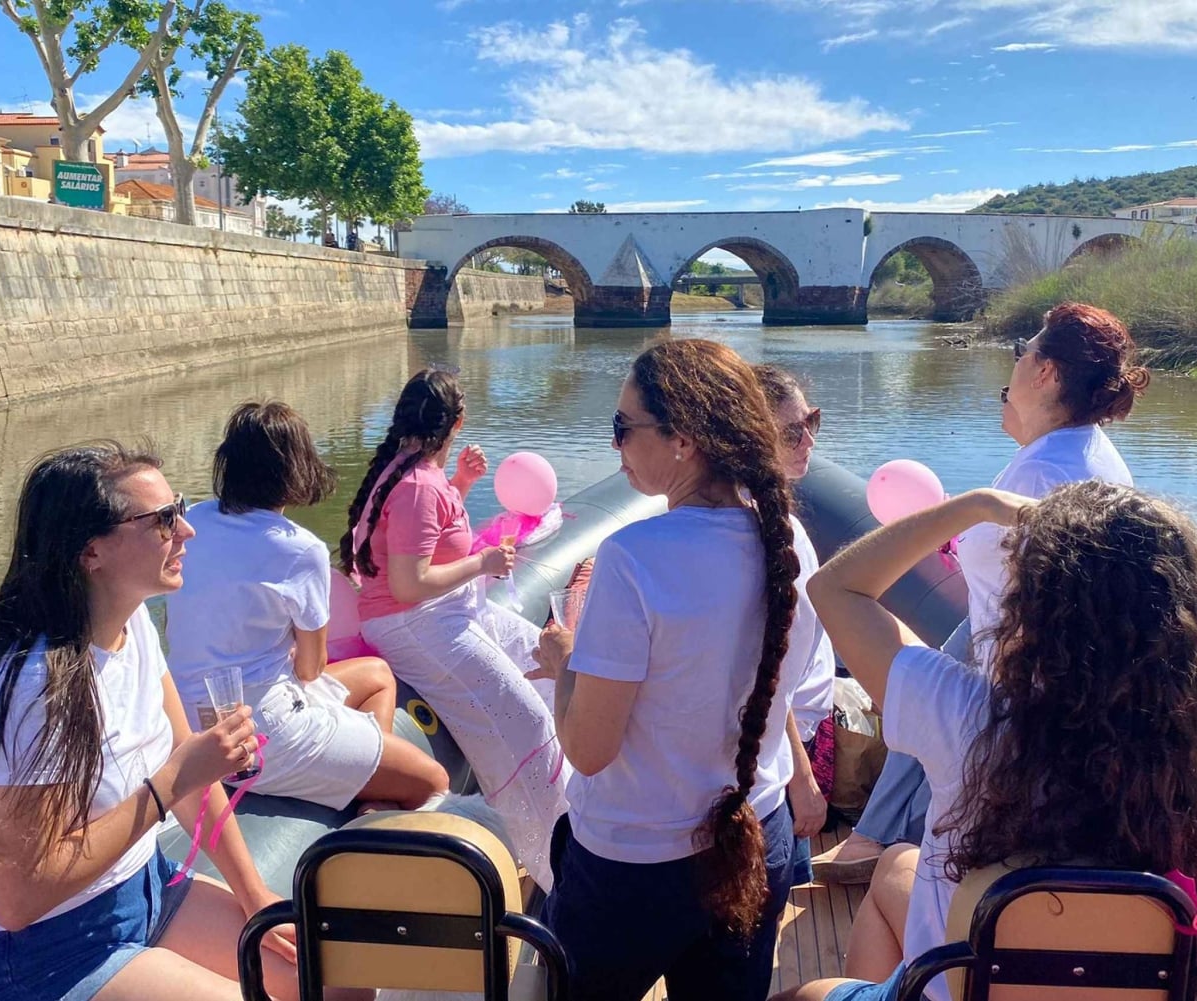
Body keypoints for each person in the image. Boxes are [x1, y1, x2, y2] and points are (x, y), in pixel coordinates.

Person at [778, 481, 1197, 1001]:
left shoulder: (969, 720)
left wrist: (970, 507)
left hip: (960, 989)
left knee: (802, 993)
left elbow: (834, 588)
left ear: (1034, 617)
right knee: (896, 865)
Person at [0, 442, 317, 1001]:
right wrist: (169, 783)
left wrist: (256, 896)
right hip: (42, 956)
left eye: (180, 508)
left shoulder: (132, 624)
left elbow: (192, 775)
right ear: (91, 552)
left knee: (327, 975)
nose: (187, 531)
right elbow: (15, 901)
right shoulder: (34, 684)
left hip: (145, 889)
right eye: (163, 520)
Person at [814, 301, 1151, 885]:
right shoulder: (1072, 450)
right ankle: (877, 834)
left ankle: (895, 846)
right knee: (941, 665)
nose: (1015, 359)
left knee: (933, 703)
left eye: (1025, 349)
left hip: (1016, 668)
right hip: (997, 633)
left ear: (1045, 372)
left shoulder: (1046, 473)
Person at [528, 340, 810, 1001]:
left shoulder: (633, 558)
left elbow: (589, 751)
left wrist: (567, 662)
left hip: (633, 866)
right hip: (754, 838)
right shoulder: (790, 542)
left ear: (682, 438)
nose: (616, 445)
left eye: (623, 428)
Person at [340, 368, 565, 889]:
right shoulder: (417, 484)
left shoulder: (410, 471)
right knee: (527, 721)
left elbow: (425, 540)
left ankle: (569, 825)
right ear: (458, 422)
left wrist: (460, 485)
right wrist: (483, 563)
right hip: (418, 623)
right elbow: (410, 581)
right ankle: (554, 863)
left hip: (446, 612)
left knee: (545, 665)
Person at [165, 401, 448, 814]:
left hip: (185, 720)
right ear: (296, 467)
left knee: (378, 674)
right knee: (433, 782)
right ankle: (371, 793)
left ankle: (366, 778)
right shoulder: (300, 549)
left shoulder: (191, 522)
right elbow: (310, 670)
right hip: (257, 732)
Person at [755, 364, 836, 883]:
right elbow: (764, 674)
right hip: (776, 755)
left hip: (794, 738)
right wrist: (800, 778)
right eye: (791, 431)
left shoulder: (781, 519)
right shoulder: (762, 533)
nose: (808, 439)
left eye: (812, 422)